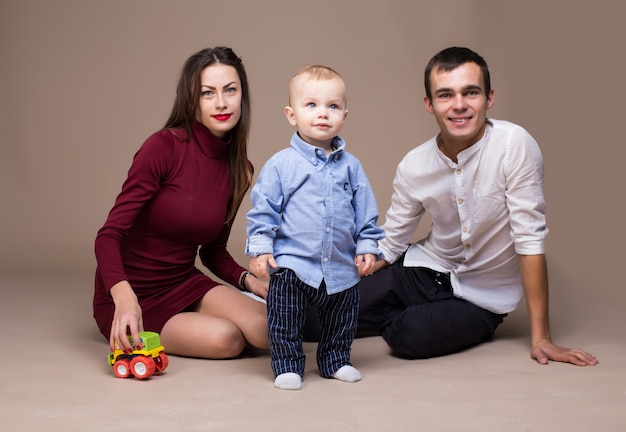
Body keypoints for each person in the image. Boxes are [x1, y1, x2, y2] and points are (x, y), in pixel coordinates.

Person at [317, 46, 598, 367]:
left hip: (481, 298)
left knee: (408, 335)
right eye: (446, 95)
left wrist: (542, 338)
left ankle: (390, 315)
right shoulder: (415, 164)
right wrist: (331, 274)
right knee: (313, 315)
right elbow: (391, 241)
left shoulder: (514, 145)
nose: (459, 105)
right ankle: (362, 306)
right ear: (430, 103)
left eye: (471, 92)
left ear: (489, 98)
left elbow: (529, 240)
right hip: (421, 269)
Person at [93, 46, 269, 360]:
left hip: (183, 281)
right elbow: (108, 235)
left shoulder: (240, 170)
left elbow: (213, 250)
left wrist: (249, 281)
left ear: (243, 95)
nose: (221, 103)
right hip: (132, 293)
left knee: (267, 330)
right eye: (207, 93)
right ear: (192, 100)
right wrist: (123, 296)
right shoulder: (163, 147)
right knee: (227, 339)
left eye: (230, 90)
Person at [246, 65, 385, 390]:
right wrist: (261, 248)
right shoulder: (282, 164)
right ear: (291, 114)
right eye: (311, 105)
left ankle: (336, 359)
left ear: (344, 115)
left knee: (343, 318)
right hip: (292, 265)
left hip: (340, 265)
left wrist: (367, 247)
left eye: (332, 106)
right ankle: (288, 364)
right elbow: (264, 210)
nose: (322, 113)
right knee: (285, 318)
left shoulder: (352, 167)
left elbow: (366, 213)